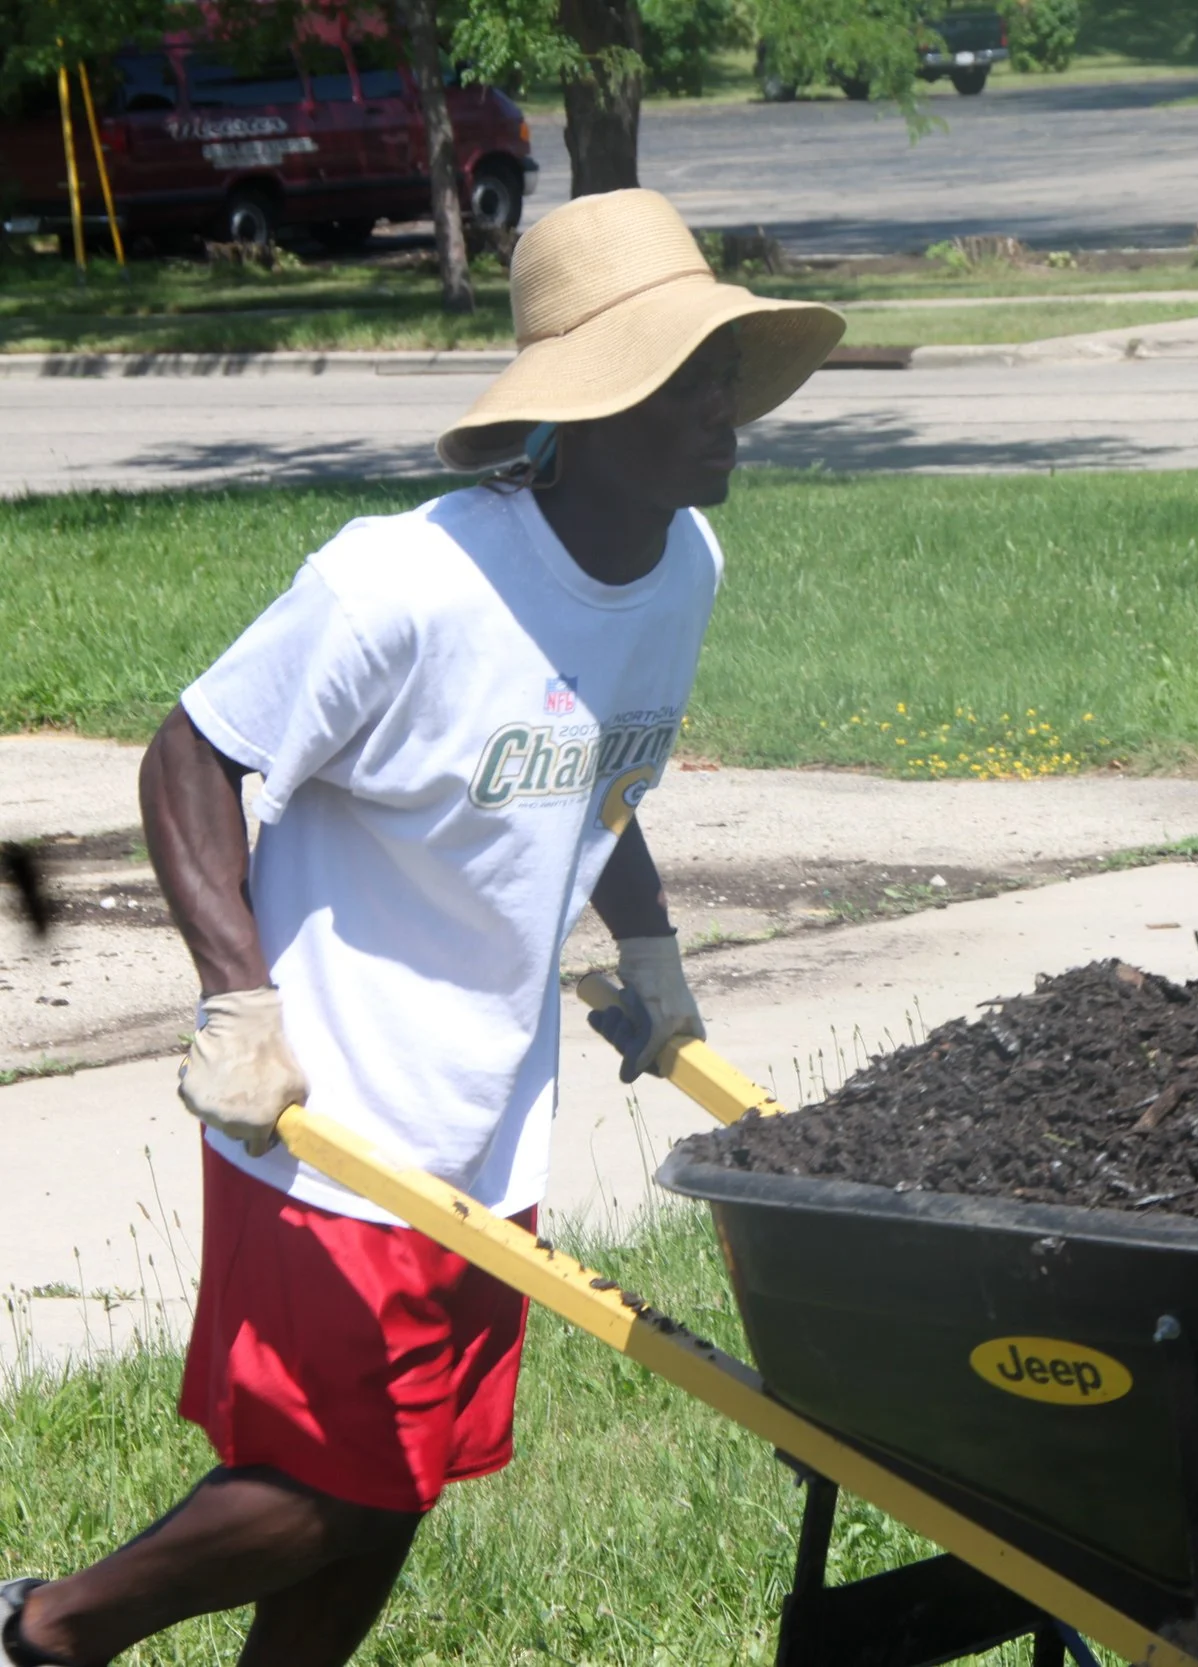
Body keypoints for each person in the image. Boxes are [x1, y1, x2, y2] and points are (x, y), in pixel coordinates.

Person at [0, 189, 843, 1667]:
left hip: (487, 1112)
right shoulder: (406, 580)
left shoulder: (685, 567)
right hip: (324, 1101)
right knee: (347, 1480)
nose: (727, 408)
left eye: (727, 370)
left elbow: (601, 777)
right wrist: (235, 1002)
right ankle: (50, 1628)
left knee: (394, 1494)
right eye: (688, 376)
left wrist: (650, 963)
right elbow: (193, 753)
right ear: (587, 404)